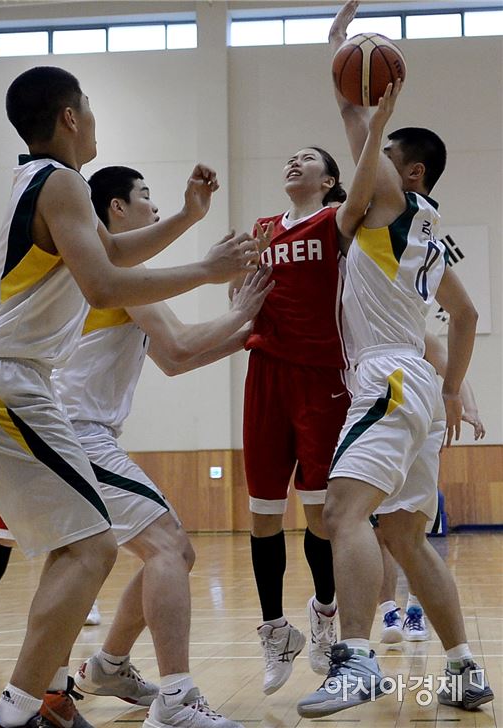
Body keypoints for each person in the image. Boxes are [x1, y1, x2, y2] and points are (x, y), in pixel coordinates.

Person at [0, 65, 259, 728]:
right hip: (9, 384)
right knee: (103, 548)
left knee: (80, 549)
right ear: (70, 116)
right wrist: (208, 270)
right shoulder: (61, 182)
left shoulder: (43, 184)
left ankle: (53, 694)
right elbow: (103, 285)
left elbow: (113, 253)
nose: (92, 120)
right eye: (87, 109)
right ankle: (15, 713)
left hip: (6, 385)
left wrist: (185, 218)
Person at [297, 1, 494, 718]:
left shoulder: (387, 196)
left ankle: (354, 663)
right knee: (406, 537)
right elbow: (467, 316)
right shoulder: (430, 228)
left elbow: (355, 118)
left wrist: (340, 54)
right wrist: (453, 389)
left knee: (342, 514)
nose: (364, 159)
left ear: (405, 168)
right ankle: (466, 669)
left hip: (384, 376)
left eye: (380, 155)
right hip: (415, 382)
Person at [49, 164, 273, 728]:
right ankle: (175, 700)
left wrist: (249, 338)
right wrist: (241, 314)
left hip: (77, 435)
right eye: (145, 196)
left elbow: (173, 360)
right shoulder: (120, 272)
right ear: (116, 210)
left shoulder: (117, 274)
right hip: (74, 433)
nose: (155, 206)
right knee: (169, 547)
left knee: (172, 551)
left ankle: (107, 666)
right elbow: (180, 339)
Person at [230, 82, 407, 696]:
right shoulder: (261, 227)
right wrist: (236, 286)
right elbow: (244, 294)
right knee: (260, 514)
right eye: (291, 158)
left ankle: (326, 613)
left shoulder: (338, 219)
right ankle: (275, 628)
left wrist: (370, 121)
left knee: (322, 519)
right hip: (266, 375)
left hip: (325, 377)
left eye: (308, 158)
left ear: (329, 181)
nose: (293, 162)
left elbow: (367, 186)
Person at [377, 333, 486, 646]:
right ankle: (388, 611)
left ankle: (414, 609)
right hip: (377, 434)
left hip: (417, 434)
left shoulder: (419, 335)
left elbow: (455, 372)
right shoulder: (363, 328)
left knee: (412, 534)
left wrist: (471, 409)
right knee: (377, 534)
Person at [0, 512, 101, 631]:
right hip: (20, 485)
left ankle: (88, 603)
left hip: (59, 484)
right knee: (2, 537)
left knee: (73, 539)